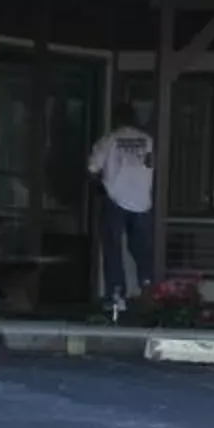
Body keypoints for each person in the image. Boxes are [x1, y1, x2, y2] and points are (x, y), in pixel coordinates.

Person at [86, 103, 155, 320]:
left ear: (116, 119)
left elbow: (92, 168)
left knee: (113, 249)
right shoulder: (147, 141)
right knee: (141, 248)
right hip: (143, 201)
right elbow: (151, 166)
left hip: (115, 200)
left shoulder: (110, 140)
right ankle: (148, 287)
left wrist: (98, 185)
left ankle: (117, 296)